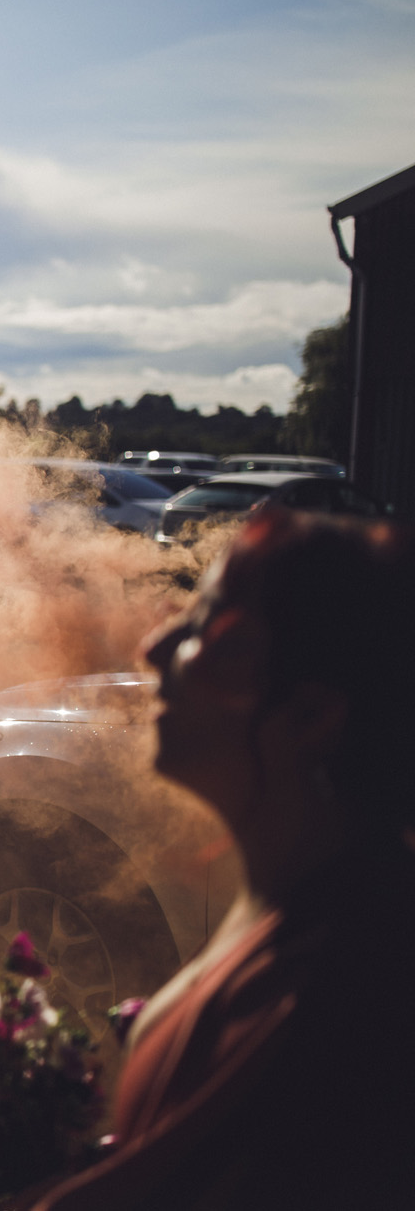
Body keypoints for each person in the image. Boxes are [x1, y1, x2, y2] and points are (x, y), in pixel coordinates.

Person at [34, 507, 415, 1209]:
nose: (154, 645)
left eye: (208, 625)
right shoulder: (310, 900)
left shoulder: (341, 984)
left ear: (313, 717)